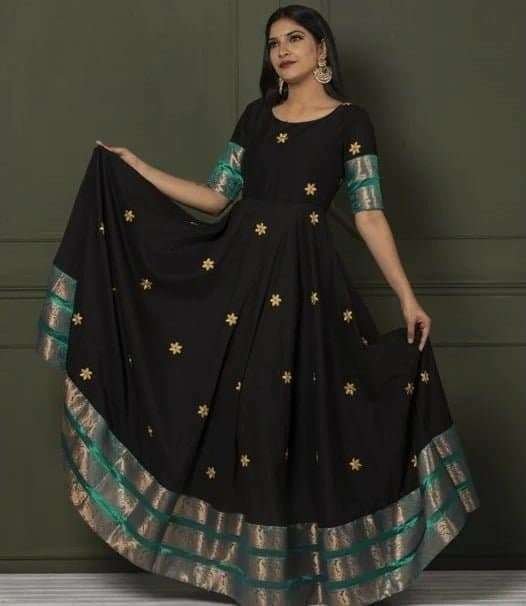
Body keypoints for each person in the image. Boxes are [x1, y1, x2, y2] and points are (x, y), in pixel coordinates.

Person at [36, 5, 479, 605]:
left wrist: (407, 296)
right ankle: (254, 575)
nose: (282, 50)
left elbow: (369, 214)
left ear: (322, 50)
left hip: (305, 289)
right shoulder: (256, 117)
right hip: (239, 282)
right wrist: (138, 168)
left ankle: (300, 577)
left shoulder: (350, 122)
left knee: (297, 419)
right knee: (244, 416)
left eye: (295, 39)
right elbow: (216, 198)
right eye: (273, 43)